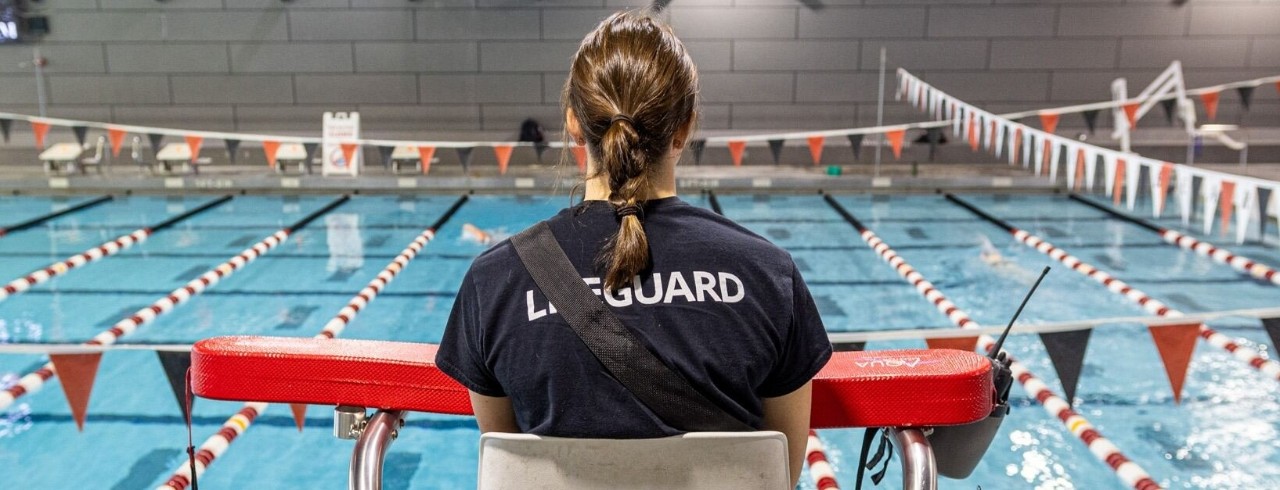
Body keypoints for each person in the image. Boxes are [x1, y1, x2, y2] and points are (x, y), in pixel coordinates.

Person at [436, 10, 831, 487]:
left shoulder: (494, 283)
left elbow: (512, 461)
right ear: (683, 129)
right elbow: (781, 474)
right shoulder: (769, 276)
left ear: (574, 126)